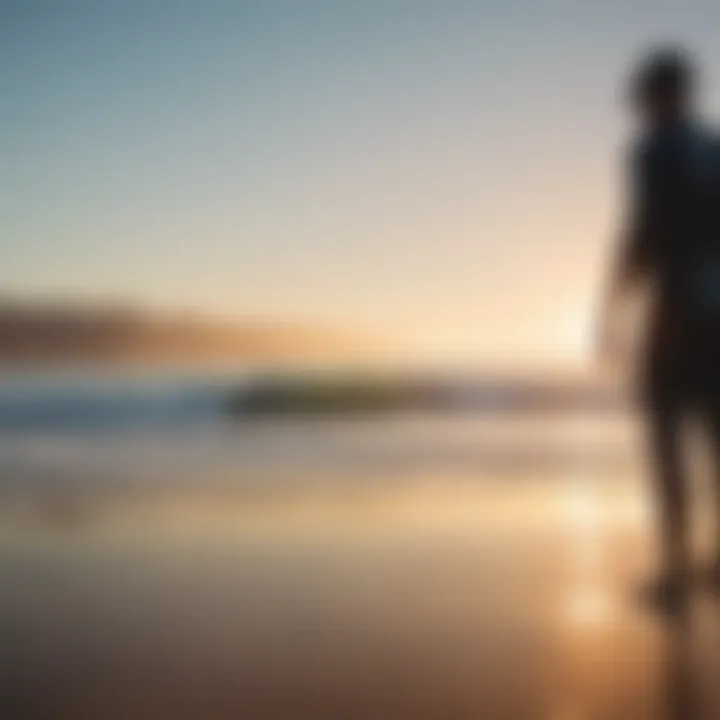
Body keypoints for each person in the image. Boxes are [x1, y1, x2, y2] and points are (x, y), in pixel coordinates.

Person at [600, 47, 720, 611]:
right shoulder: (713, 148)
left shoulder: (652, 152)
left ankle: (676, 576)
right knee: (713, 442)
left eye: (647, 97)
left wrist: (613, 308)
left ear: (660, 96)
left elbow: (643, 230)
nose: (643, 109)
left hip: (680, 313)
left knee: (667, 444)